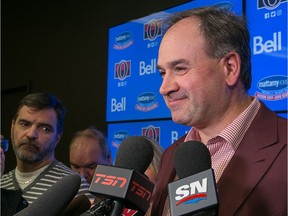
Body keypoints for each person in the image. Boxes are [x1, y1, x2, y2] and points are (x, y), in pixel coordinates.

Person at [148, 6, 287, 216]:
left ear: (230, 68)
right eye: (162, 72)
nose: (164, 87)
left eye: (180, 68)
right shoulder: (172, 154)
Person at [0, 92, 94, 216]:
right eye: (25, 124)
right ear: (12, 127)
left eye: (45, 128)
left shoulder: (76, 189)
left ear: (57, 138)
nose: (31, 134)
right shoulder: (1, 181)